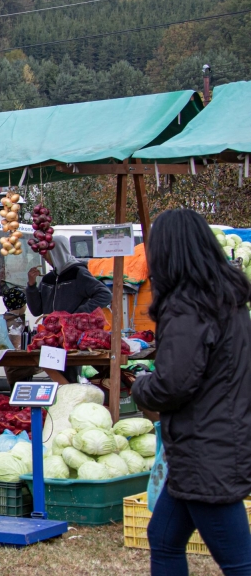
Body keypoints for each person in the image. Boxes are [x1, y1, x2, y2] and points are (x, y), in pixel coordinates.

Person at [131, 209, 251, 575]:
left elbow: (174, 383)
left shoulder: (188, 306)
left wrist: (141, 385)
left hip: (206, 447)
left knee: (239, 563)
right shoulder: (228, 300)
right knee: (163, 538)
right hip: (213, 440)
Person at [17, 234, 112, 385]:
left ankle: (73, 404)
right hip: (51, 338)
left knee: (70, 378)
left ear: (58, 252)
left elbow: (104, 294)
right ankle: (63, 404)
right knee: (56, 379)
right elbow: (36, 310)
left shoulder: (78, 274)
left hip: (71, 338)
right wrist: (31, 285)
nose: (46, 258)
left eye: (47, 254)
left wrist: (76, 315)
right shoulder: (48, 278)